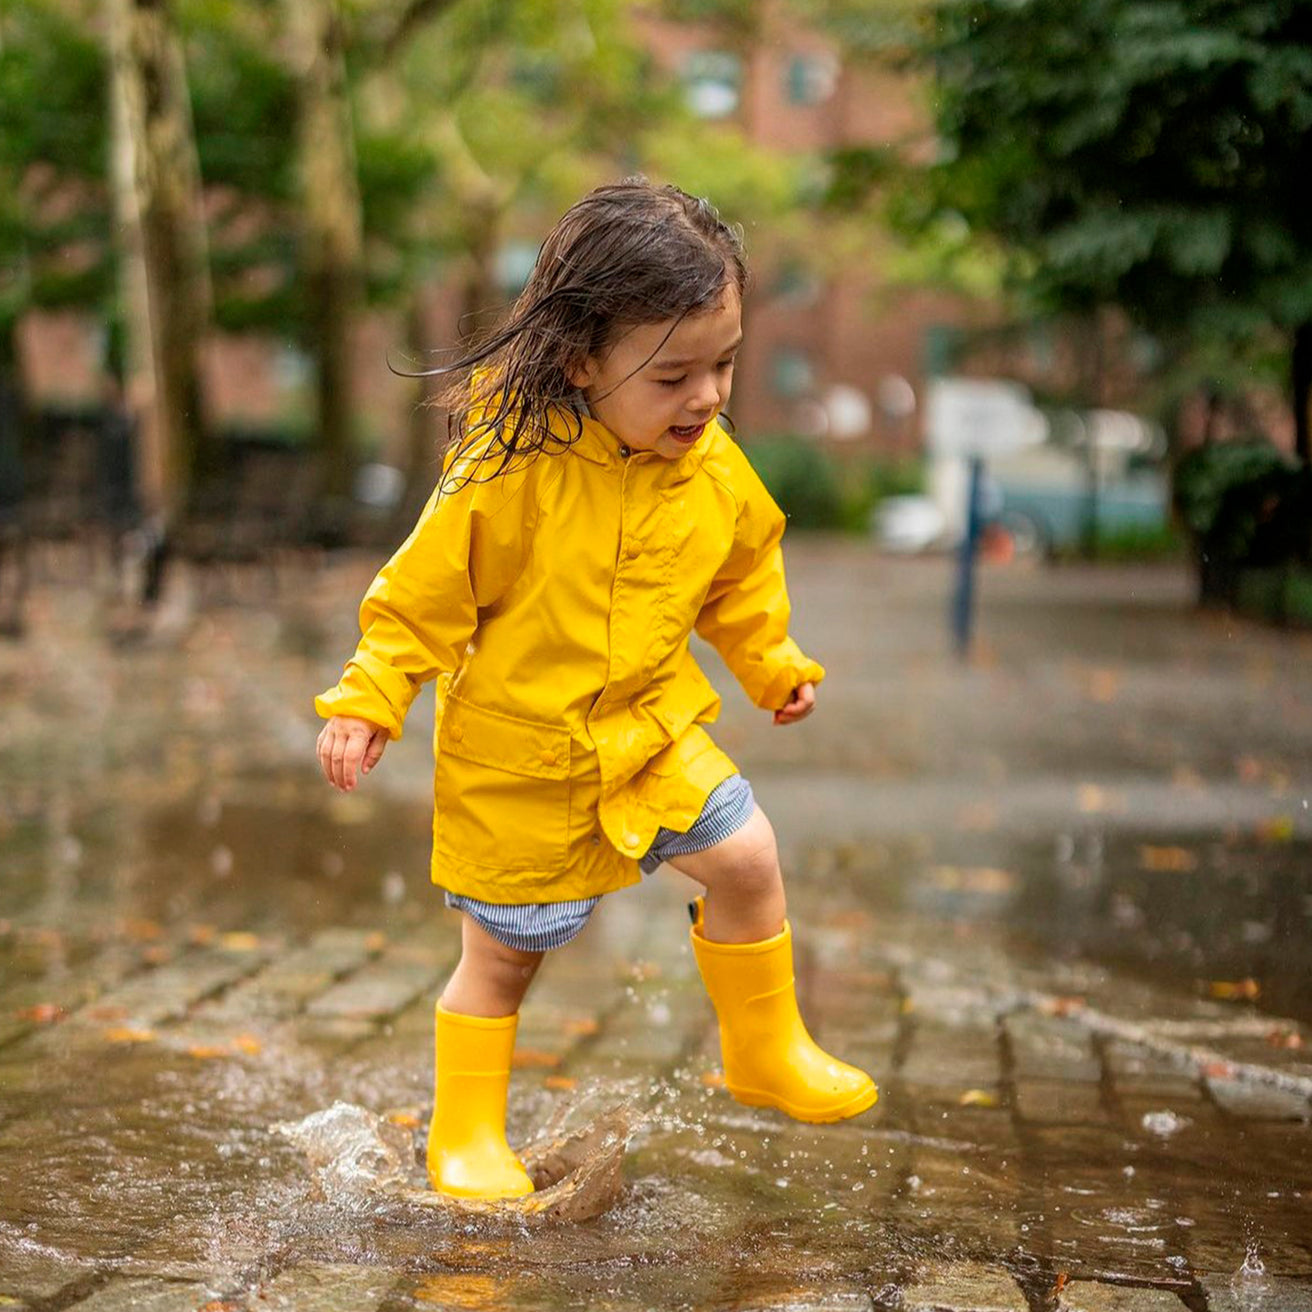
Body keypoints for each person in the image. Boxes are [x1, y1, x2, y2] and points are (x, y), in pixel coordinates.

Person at [315, 179, 877, 1202]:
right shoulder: (507, 466)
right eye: (672, 375)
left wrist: (771, 663)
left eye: (725, 364)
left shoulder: (710, 466)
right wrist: (369, 696)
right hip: (520, 759)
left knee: (747, 856)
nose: (705, 397)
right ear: (580, 359)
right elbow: (421, 598)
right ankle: (468, 1133)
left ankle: (764, 1049)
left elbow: (743, 569)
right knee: (502, 958)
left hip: (651, 735)